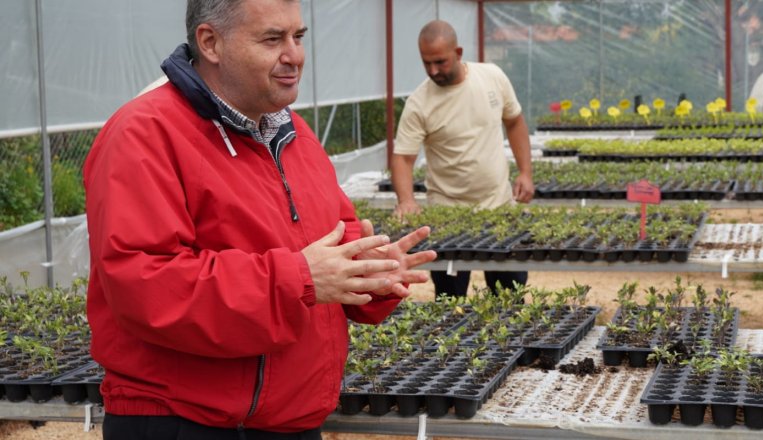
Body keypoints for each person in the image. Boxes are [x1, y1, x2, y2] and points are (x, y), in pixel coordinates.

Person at [83, 0, 436, 438]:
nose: (295, 55)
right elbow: (145, 285)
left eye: (298, 36)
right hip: (187, 420)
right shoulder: (144, 135)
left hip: (288, 418)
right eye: (272, 39)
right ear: (210, 42)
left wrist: (371, 271)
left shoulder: (294, 135)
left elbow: (334, 242)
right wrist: (299, 279)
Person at [390, 20, 534, 299]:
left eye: (440, 62)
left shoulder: (491, 77)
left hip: (499, 208)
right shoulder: (420, 102)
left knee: (508, 298)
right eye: (426, 63)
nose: (433, 70)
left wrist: (525, 172)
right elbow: (403, 158)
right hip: (448, 215)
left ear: (458, 52)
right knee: (450, 301)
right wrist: (406, 200)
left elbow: (514, 121)